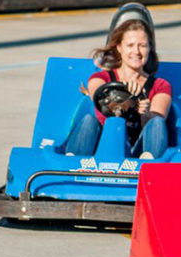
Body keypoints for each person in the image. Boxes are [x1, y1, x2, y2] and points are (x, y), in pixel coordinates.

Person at [64, 8, 171, 159]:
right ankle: (71, 162)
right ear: (119, 48)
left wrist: (144, 111)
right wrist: (124, 97)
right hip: (100, 147)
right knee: (89, 120)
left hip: (136, 150)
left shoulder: (160, 85)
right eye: (130, 45)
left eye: (142, 45)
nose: (137, 51)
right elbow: (97, 93)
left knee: (157, 121)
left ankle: (148, 166)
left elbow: (157, 121)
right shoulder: (100, 78)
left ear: (149, 48)